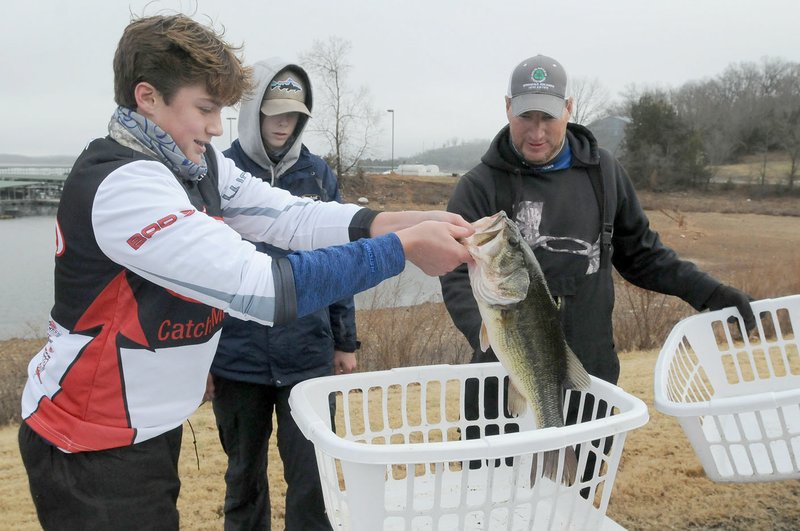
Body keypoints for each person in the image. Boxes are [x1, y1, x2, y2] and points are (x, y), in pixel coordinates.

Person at [17, 14, 473, 530]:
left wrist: (394, 221)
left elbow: (290, 215)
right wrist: (401, 249)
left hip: (146, 426)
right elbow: (263, 290)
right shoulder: (127, 186)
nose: (216, 128)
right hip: (89, 437)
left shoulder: (196, 164)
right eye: (205, 109)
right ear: (147, 97)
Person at [439, 54, 755, 469]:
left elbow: (643, 255)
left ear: (569, 108)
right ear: (507, 108)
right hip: (501, 373)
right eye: (525, 117)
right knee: (491, 498)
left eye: (548, 117)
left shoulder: (603, 172)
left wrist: (709, 292)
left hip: (589, 371)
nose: (536, 132)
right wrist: (490, 333)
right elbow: (456, 275)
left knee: (578, 491)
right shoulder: (479, 186)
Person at [206, 58, 355, 530]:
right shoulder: (215, 171)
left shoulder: (319, 176)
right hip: (236, 359)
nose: (283, 123)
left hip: (306, 357)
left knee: (313, 483)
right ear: (252, 112)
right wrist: (199, 357)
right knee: (242, 480)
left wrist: (344, 341)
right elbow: (195, 269)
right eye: (273, 112)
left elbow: (340, 263)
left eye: (293, 113)